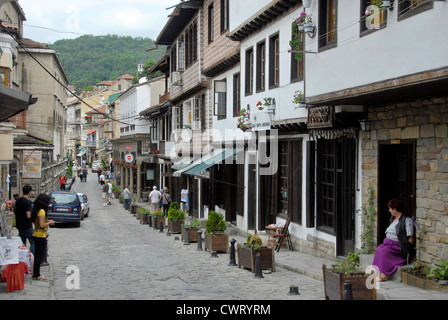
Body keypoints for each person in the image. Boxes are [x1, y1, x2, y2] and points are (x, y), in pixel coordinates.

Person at [373, 199, 414, 281]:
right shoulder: (393, 219)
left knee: (384, 252)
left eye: (390, 208)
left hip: (397, 246)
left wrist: (407, 250)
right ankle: (376, 273)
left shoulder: (406, 220)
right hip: (388, 244)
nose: (389, 210)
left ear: (395, 209)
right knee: (379, 249)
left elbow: (410, 238)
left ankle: (383, 276)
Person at [31, 194, 55, 280]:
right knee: (39, 256)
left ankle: (35, 273)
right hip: (40, 235)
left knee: (37, 255)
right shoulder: (42, 211)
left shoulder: (37, 210)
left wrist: (47, 221)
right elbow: (41, 224)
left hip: (36, 234)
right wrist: (49, 223)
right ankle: (37, 275)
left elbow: (39, 221)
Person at [14, 185, 35, 254]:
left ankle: (22, 258)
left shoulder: (18, 201)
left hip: (19, 224)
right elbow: (28, 215)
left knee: (22, 244)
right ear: (29, 192)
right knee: (33, 241)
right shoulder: (27, 202)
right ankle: (31, 257)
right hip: (27, 225)